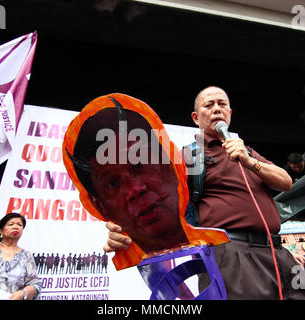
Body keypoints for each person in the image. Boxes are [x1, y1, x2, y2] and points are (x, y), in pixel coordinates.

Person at [104, 86, 305, 299]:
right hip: (233, 256)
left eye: (222, 104)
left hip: (279, 253)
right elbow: (155, 200)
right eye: (209, 105)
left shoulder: (247, 151)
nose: (217, 109)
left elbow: (286, 182)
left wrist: (250, 161)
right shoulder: (189, 156)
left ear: (230, 114)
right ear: (196, 118)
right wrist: (126, 230)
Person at [63, 93, 227, 270]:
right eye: (112, 183)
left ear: (170, 164)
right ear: (99, 206)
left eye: (139, 164)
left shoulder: (214, 239)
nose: (135, 189)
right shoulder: (125, 255)